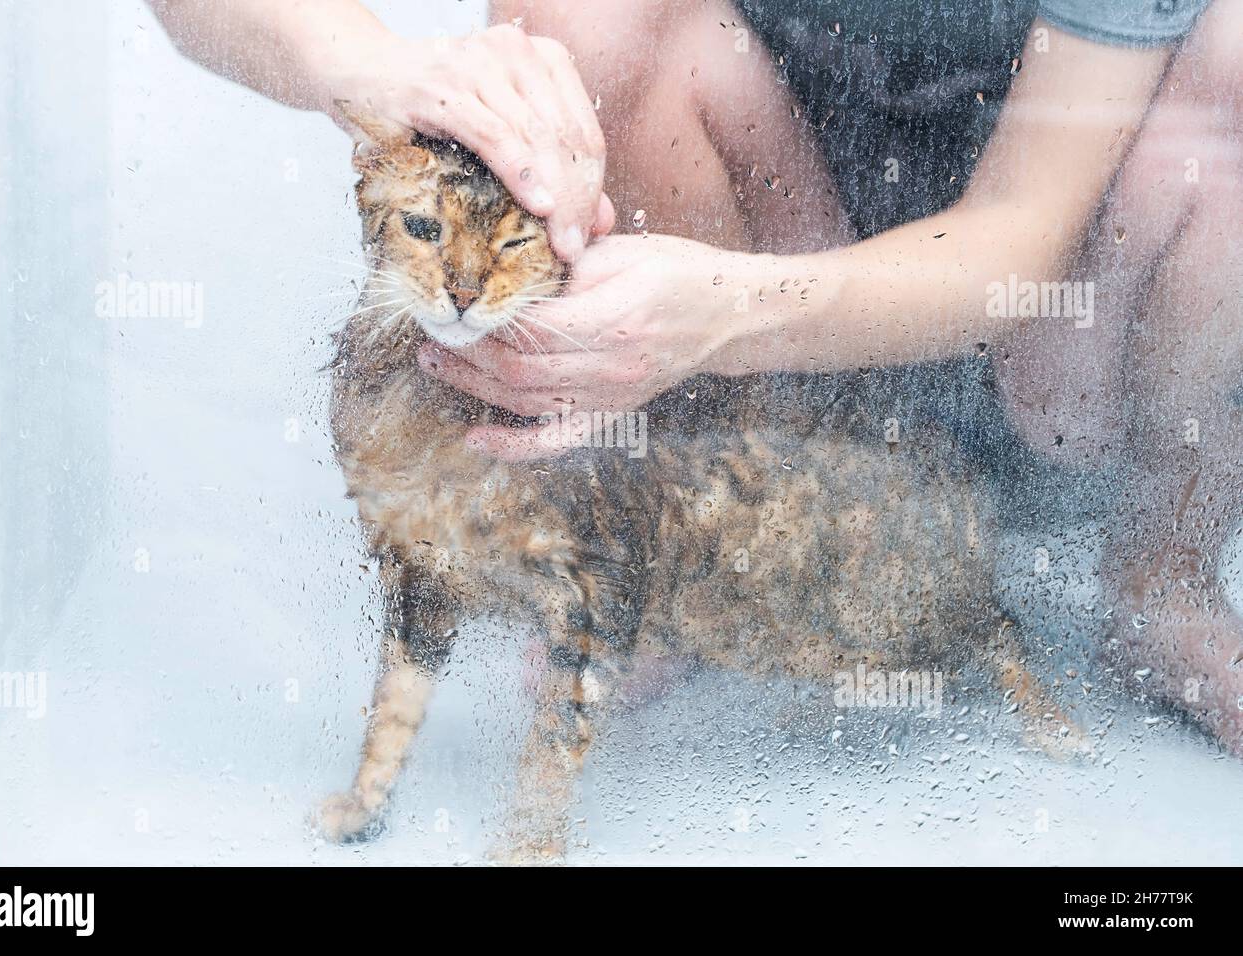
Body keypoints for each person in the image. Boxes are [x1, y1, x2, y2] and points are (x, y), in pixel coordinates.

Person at [149, 0, 1242, 751]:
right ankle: (688, 548)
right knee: (584, 20)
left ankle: (1163, 569)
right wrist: (380, 71)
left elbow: (1019, 236)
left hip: (1057, 349)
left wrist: (727, 316)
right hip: (767, 301)